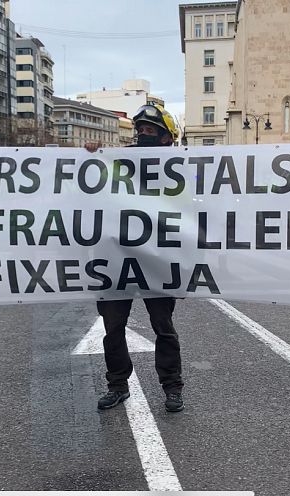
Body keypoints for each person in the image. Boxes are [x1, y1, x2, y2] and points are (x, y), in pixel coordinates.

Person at [88, 104, 186, 413]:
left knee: (163, 326)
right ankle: (117, 385)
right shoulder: (116, 162)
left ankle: (172, 387)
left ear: (166, 139)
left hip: (156, 258)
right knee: (113, 328)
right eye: (140, 130)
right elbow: (90, 186)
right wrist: (92, 156)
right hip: (115, 259)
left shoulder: (179, 170)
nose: (143, 135)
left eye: (150, 132)